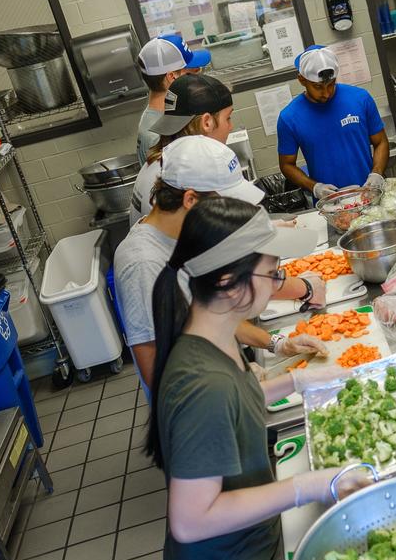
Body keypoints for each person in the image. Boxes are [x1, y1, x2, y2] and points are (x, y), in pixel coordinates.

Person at [147, 197, 370, 560]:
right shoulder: (202, 386)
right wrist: (308, 486)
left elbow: (237, 399)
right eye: (272, 273)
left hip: (253, 540)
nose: (280, 283)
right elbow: (190, 521)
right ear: (227, 283)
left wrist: (296, 382)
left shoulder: (214, 337)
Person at [114, 135, 326, 396]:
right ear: (190, 200)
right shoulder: (143, 264)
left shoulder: (188, 233)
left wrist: (277, 343)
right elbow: (156, 371)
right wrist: (230, 386)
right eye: (224, 201)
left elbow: (211, 315)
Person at [277, 46, 388, 200]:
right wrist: (314, 187)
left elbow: (381, 141)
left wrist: (377, 173)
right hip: (330, 203)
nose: (326, 93)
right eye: (318, 87)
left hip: (368, 194)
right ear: (302, 80)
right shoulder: (289, 118)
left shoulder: (360, 99)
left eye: (331, 84)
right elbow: (287, 165)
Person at [128, 73, 234, 225]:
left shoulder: (154, 163)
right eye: (228, 118)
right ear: (207, 123)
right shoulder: (183, 178)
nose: (231, 127)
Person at [134, 35, 211, 166]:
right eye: (193, 71)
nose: (197, 76)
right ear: (172, 76)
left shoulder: (171, 114)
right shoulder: (156, 136)